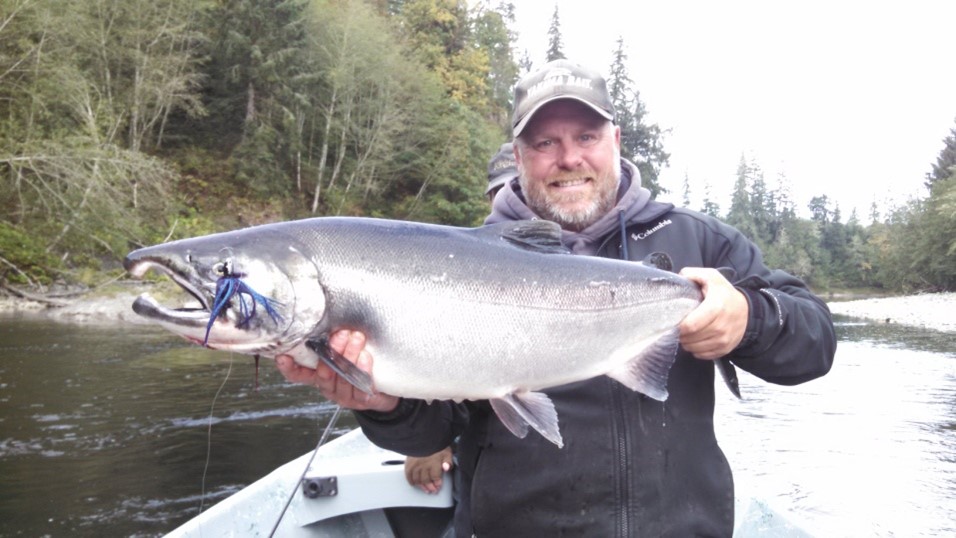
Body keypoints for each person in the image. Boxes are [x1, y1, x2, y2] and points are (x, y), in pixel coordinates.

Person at [276, 59, 836, 536]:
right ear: (518, 156)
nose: (569, 158)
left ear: (615, 142)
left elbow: (814, 345)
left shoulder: (697, 241)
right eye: (545, 142)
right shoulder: (459, 266)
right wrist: (382, 402)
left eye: (586, 137)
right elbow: (432, 431)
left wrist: (749, 318)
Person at [404, 142, 518, 495]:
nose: (507, 198)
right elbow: (432, 363)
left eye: (516, 187)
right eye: (498, 191)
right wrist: (425, 443)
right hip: (494, 479)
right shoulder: (458, 266)